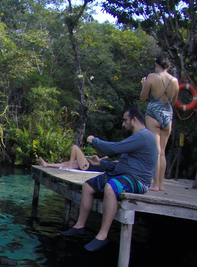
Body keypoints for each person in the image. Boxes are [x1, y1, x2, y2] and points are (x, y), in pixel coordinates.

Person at [61, 107, 157, 252]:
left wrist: (95, 141)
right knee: (87, 186)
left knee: (111, 187)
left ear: (134, 120)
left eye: (125, 120)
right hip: (124, 174)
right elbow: (120, 165)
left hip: (138, 180)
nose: (123, 124)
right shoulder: (136, 139)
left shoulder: (144, 136)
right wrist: (101, 163)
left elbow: (114, 148)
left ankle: (102, 235)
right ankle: (79, 226)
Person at [140, 55, 178, 191]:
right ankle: (160, 184)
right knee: (162, 152)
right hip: (168, 113)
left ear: (157, 65)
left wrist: (144, 85)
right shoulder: (175, 81)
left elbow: (143, 97)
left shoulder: (151, 77)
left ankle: (155, 184)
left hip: (153, 112)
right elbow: (173, 102)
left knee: (155, 150)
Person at [38, 145, 111, 172]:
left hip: (88, 166)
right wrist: (101, 158)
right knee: (66, 164)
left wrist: (101, 159)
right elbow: (99, 162)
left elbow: (100, 165)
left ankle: (69, 166)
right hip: (89, 165)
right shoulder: (108, 163)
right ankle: (47, 164)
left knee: (75, 147)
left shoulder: (110, 166)